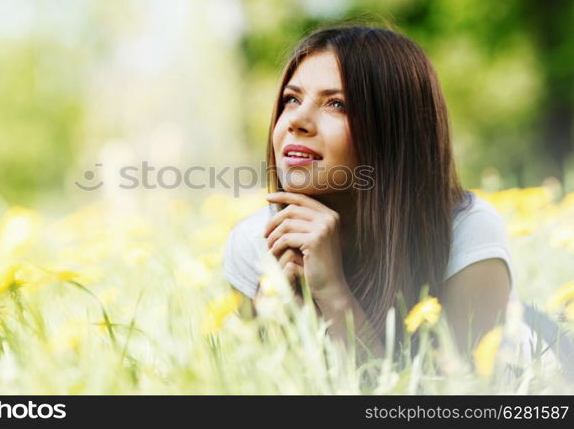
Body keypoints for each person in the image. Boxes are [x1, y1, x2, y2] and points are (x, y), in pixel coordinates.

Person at [222, 23, 568, 372]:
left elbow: (458, 404)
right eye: (291, 99)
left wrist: (333, 292)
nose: (297, 120)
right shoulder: (255, 244)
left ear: (394, 132)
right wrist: (290, 310)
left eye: (337, 104)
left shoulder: (467, 230)